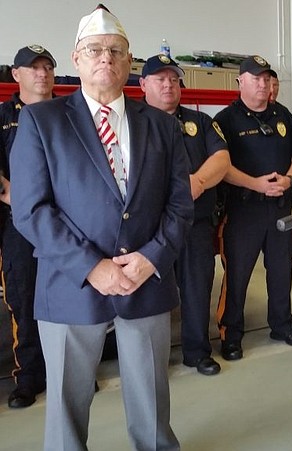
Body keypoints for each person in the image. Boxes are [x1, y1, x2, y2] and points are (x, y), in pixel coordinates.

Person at [10, 6, 191, 449]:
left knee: (151, 404)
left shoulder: (162, 126)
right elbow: (31, 210)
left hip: (144, 282)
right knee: (67, 409)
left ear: (130, 62)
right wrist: (93, 267)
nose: (105, 58)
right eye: (94, 50)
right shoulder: (42, 121)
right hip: (71, 284)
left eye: (115, 50)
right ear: (77, 58)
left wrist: (152, 258)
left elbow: (180, 204)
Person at [139, 54, 231, 375]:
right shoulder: (132, 122)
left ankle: (197, 352)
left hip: (194, 222)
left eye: (174, 79)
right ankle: (152, 360)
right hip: (149, 227)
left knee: (196, 288)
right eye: (160, 79)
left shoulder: (200, 122)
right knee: (151, 293)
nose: (168, 85)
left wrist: (198, 181)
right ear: (143, 84)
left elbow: (221, 158)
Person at [215, 55, 292, 358]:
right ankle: (231, 334)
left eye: (267, 78)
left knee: (281, 271)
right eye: (256, 78)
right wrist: (255, 184)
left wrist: (290, 179)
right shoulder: (225, 120)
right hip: (243, 211)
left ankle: (282, 325)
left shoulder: (282, 115)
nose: (263, 84)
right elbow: (220, 167)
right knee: (238, 275)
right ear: (240, 82)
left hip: (279, 208)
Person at [0, 44, 56, 409]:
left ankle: (69, 371)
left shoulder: (70, 112)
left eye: (48, 67)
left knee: (65, 299)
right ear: (16, 75)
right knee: (24, 299)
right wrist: (17, 200)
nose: (42, 73)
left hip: (65, 223)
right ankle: (29, 377)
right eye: (32, 68)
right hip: (19, 224)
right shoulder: (3, 116)